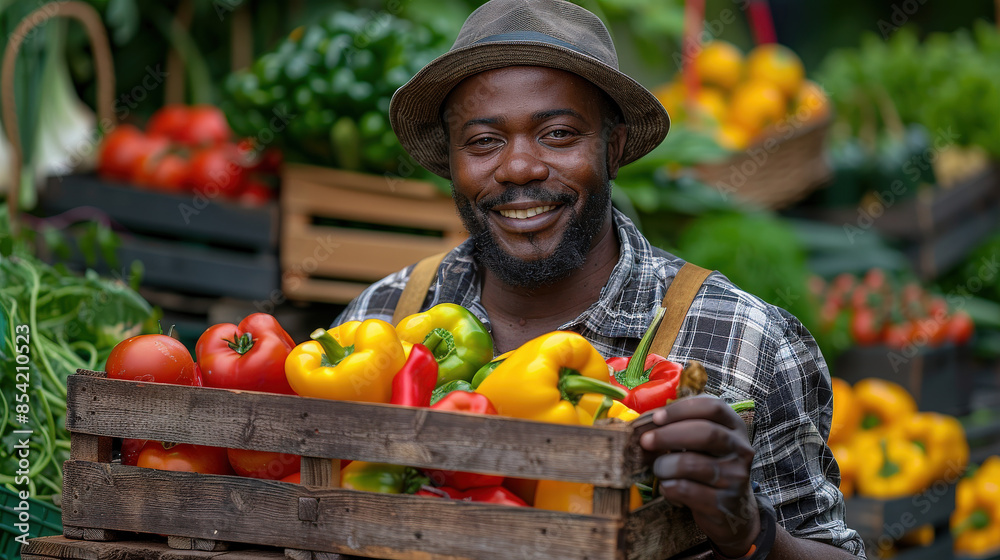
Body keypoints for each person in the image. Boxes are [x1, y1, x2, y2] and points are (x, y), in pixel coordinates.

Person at [337, 0, 865, 558]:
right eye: (484, 141)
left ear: (612, 150)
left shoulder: (745, 340)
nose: (519, 167)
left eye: (559, 134)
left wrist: (752, 531)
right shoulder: (380, 316)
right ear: (453, 161)